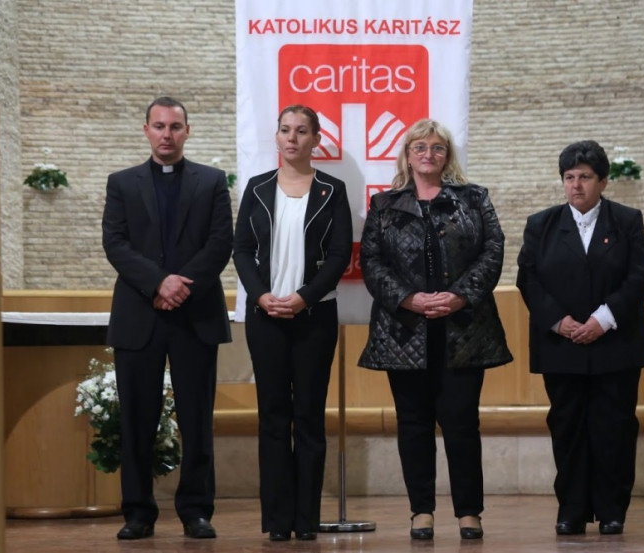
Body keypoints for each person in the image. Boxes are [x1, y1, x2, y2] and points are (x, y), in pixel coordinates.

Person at [358, 119, 513, 540]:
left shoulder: (473, 198)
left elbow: (493, 250)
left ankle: (469, 512)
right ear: (408, 156)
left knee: (462, 424)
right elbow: (372, 262)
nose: (429, 154)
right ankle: (421, 512)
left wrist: (460, 295)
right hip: (405, 331)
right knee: (413, 425)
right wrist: (409, 298)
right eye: (420, 147)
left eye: (438, 148)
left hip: (464, 329)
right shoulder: (385, 205)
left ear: (447, 156)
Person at [102, 96, 233, 540]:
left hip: (195, 314)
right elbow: (115, 243)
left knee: (197, 419)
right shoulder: (122, 183)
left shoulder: (211, 181)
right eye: (159, 126)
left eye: (175, 126)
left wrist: (179, 287)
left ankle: (196, 510)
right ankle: (138, 512)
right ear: (146, 131)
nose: (167, 134)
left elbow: (220, 242)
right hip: (140, 314)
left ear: (187, 131)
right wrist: (159, 283)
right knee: (137, 419)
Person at [516, 140, 644, 536]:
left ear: (603, 181)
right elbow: (529, 279)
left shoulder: (627, 220)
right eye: (569, 177)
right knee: (568, 428)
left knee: (615, 429)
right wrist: (559, 321)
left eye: (585, 177)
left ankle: (612, 511)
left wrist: (602, 319)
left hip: (615, 345)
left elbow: (640, 278)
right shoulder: (541, 224)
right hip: (562, 345)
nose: (576, 185)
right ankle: (571, 510)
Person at [232, 105, 353, 542]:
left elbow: (339, 255)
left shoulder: (332, 189)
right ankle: (278, 521)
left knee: (308, 418)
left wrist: (304, 298)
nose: (292, 138)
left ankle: (306, 520)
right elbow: (241, 249)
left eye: (302, 131)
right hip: (265, 317)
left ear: (316, 139)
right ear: (277, 136)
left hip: (314, 318)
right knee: (272, 418)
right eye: (285, 130)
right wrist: (260, 296)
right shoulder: (258, 187)